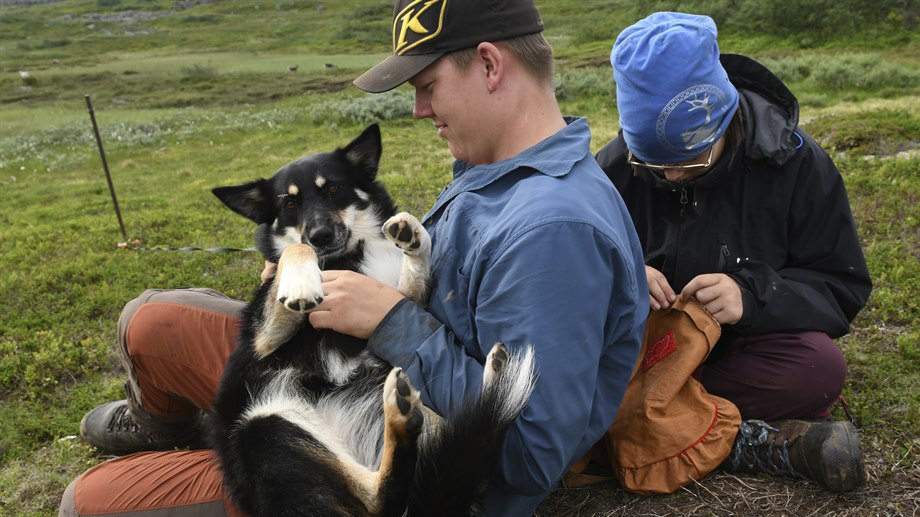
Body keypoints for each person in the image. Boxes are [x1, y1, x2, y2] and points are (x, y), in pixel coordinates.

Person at [60, 0, 648, 515]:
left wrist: (388, 319)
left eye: (427, 86)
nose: (419, 109)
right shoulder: (497, 169)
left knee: (84, 502)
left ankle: (225, 443)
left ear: (491, 65)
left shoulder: (552, 232)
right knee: (150, 322)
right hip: (352, 365)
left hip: (379, 445)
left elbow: (529, 453)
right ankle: (183, 431)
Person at [595, 12, 872, 492]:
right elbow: (571, 268)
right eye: (654, 164)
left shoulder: (797, 164)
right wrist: (622, 275)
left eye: (690, 160)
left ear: (722, 119)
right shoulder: (617, 167)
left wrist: (753, 296)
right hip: (646, 351)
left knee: (817, 369)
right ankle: (735, 437)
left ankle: (640, 419)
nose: (673, 176)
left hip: (737, 355)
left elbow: (841, 286)